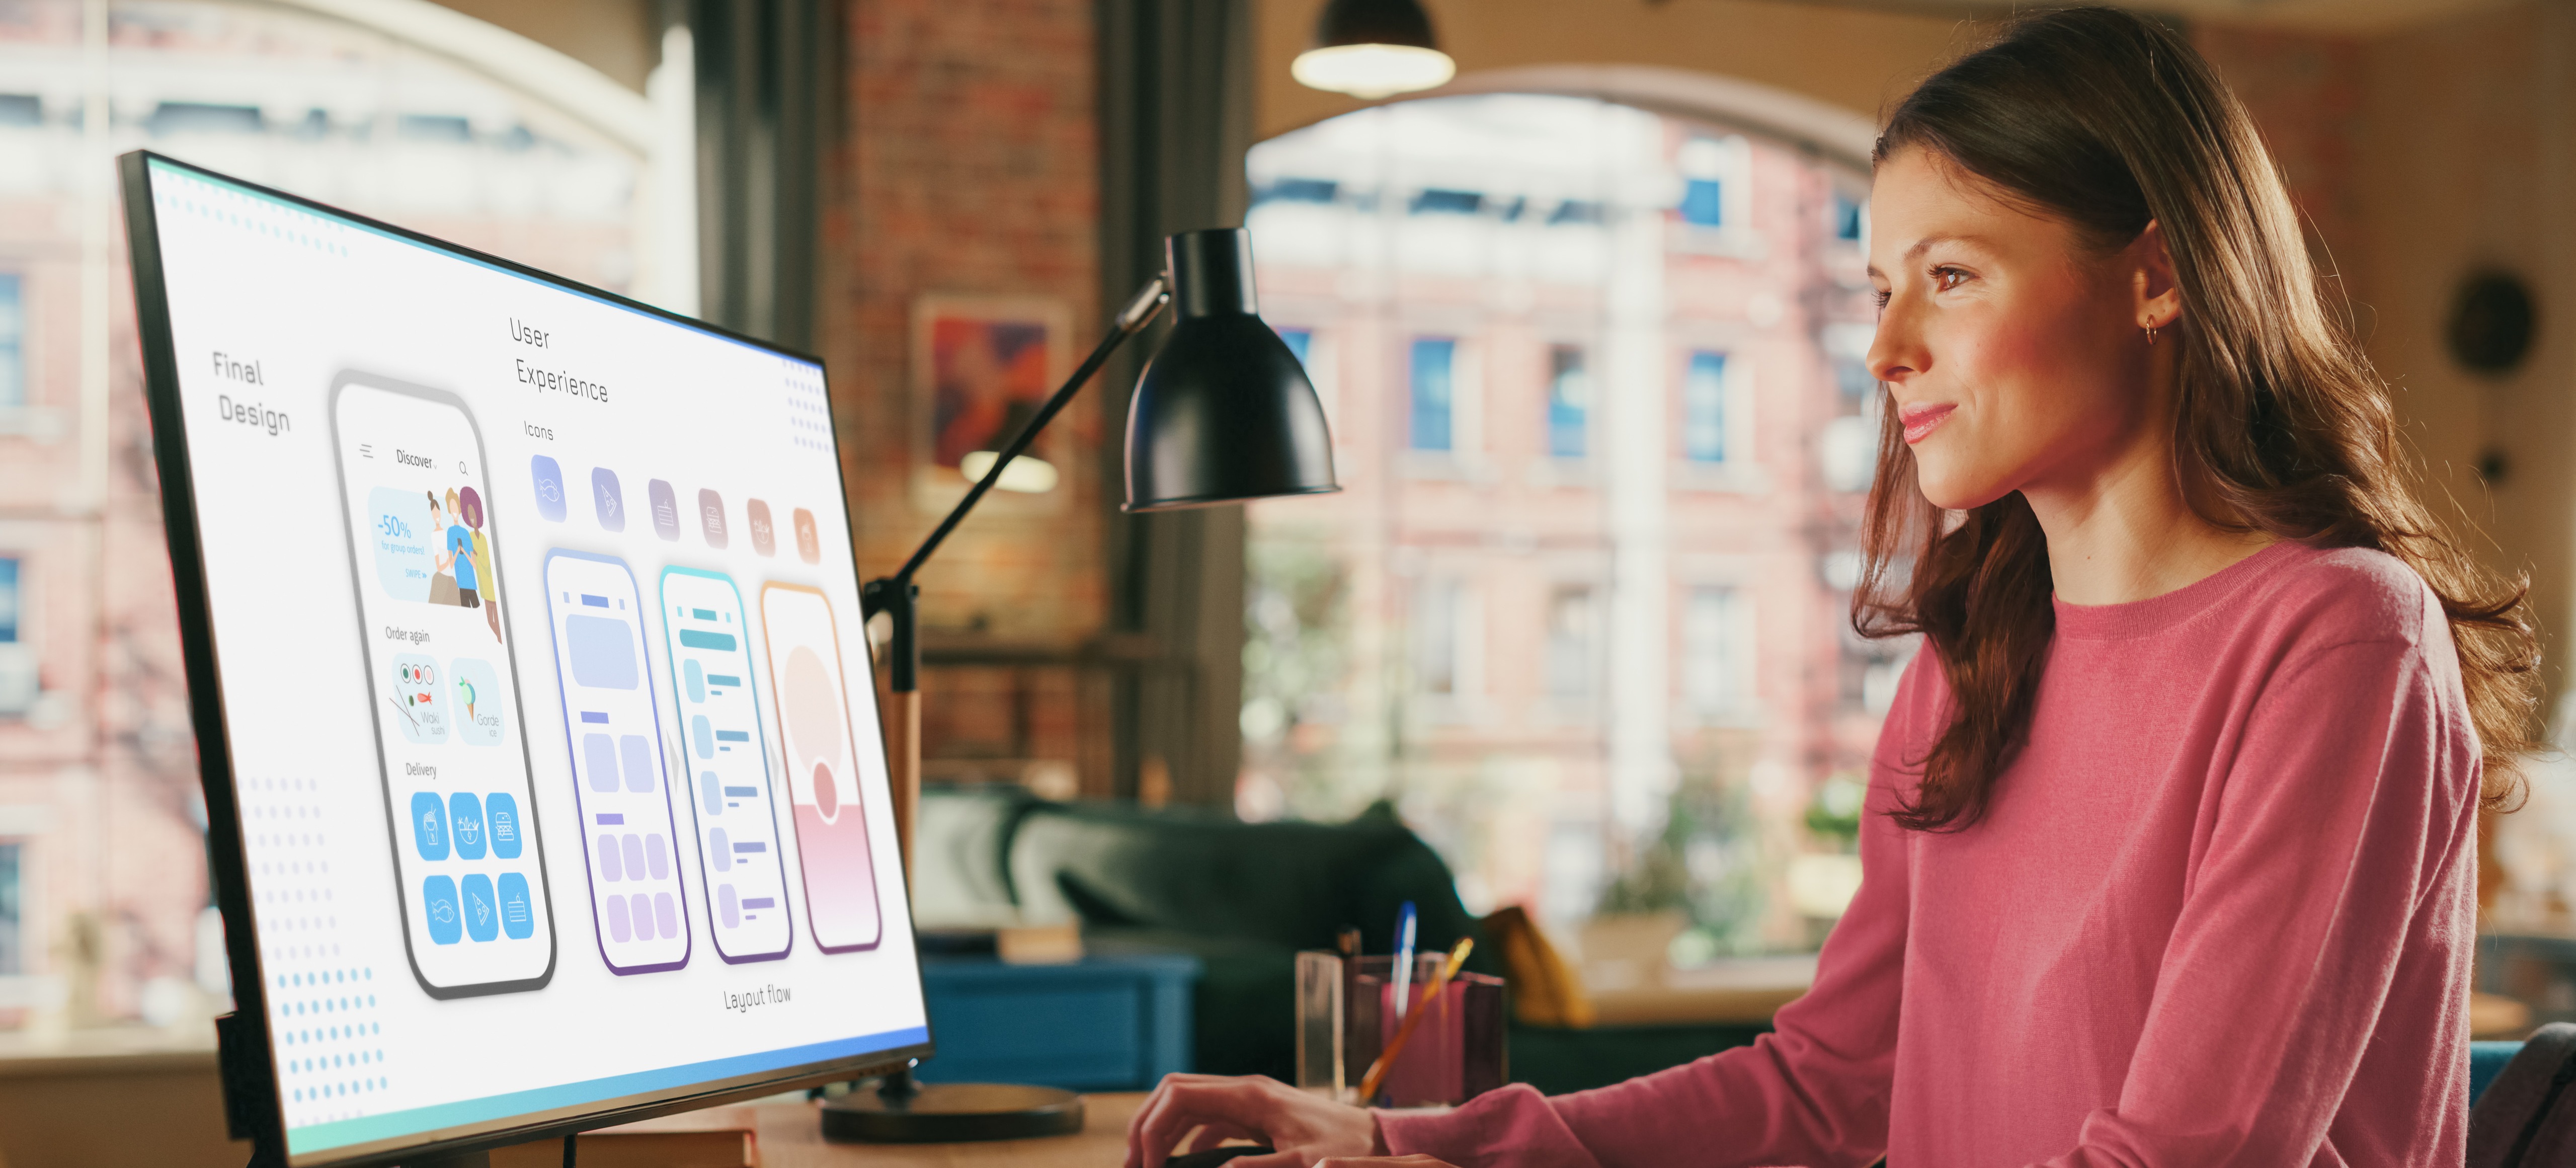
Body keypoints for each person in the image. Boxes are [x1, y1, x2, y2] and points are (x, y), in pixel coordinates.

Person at [1122, 9, 2540, 1167]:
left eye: (1952, 276)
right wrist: (1402, 1137)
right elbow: (1830, 1080)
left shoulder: (2337, 638)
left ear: (2157, 275)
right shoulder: (1971, 664)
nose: (1887, 350)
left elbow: (2186, 1155)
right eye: (1877, 289)